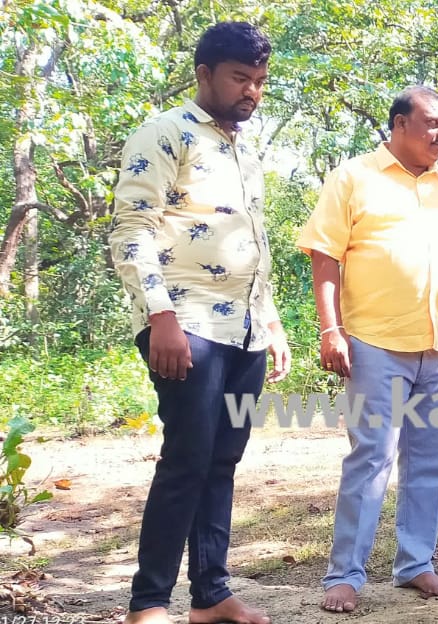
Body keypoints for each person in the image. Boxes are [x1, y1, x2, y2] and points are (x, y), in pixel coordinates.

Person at [107, 21, 288, 624]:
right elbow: (132, 229)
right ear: (204, 74)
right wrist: (159, 315)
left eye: (259, 81)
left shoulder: (243, 149)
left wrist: (270, 322)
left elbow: (252, 241)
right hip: (185, 322)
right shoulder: (165, 132)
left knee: (222, 460)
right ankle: (148, 603)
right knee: (187, 459)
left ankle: (210, 595)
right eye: (240, 78)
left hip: (244, 330)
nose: (251, 91)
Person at [296, 86, 438, 612]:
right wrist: (331, 330)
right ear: (400, 124)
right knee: (371, 459)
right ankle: (345, 575)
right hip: (375, 344)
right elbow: (324, 256)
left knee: (430, 463)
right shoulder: (354, 177)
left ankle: (415, 563)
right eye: (432, 123)